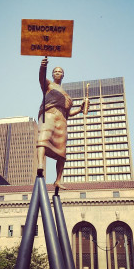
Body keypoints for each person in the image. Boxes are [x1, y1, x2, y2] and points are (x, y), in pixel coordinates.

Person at [37, 58, 87, 189]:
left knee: (62, 152)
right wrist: (43, 67)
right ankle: (40, 165)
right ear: (52, 74)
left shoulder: (67, 96)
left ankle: (58, 180)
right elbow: (41, 77)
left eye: (60, 71)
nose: (58, 73)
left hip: (62, 121)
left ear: (63, 75)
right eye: (55, 71)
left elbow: (68, 113)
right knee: (43, 138)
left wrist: (80, 110)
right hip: (49, 114)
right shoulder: (48, 85)